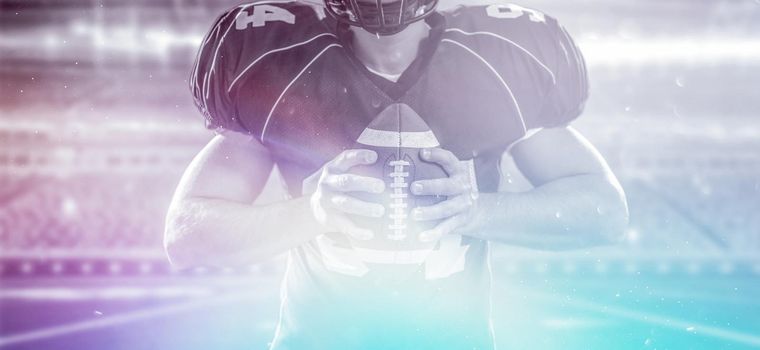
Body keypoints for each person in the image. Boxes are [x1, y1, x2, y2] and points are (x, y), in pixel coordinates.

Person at [164, 0, 629, 348]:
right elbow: (187, 236)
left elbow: (603, 212)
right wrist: (313, 213)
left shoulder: (498, 63)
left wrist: (476, 211)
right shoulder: (279, 65)